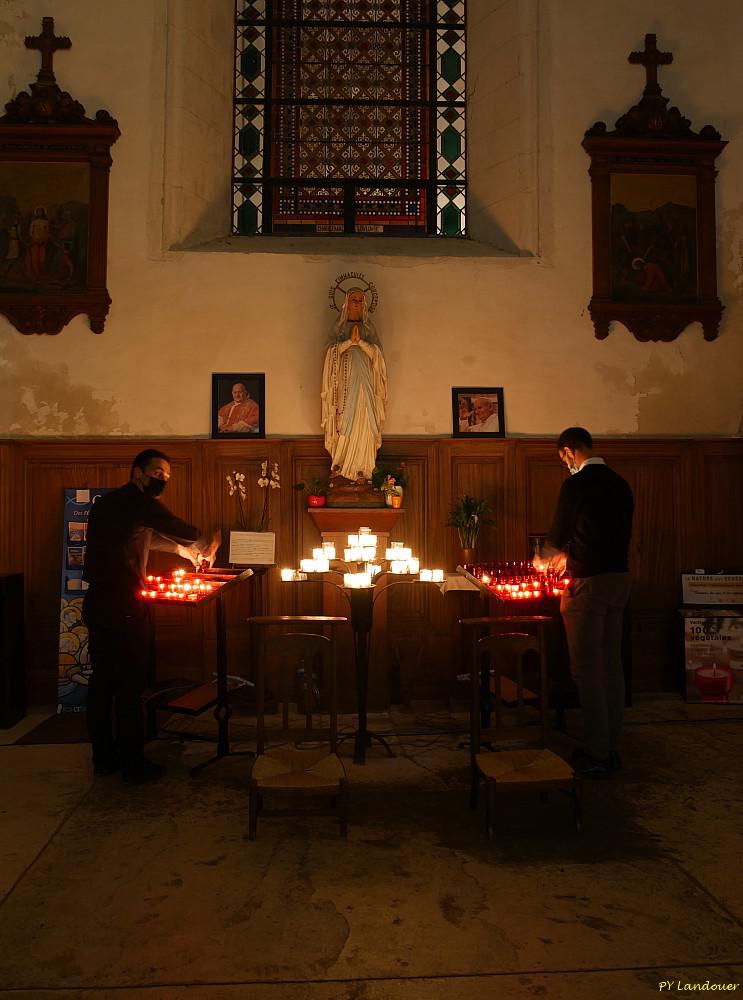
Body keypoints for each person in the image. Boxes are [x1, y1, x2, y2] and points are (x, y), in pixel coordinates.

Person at [82, 449, 219, 785]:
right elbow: (179, 528)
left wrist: (181, 551)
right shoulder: (140, 501)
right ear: (137, 472)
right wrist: (206, 543)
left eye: (167, 475)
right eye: (158, 471)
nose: (163, 479)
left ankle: (104, 759)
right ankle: (133, 766)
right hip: (125, 607)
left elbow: (142, 537)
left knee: (102, 683)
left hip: (97, 603)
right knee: (129, 686)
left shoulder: (108, 505)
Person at [535, 427, 634, 778]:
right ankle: (612, 745)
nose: (565, 464)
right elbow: (602, 534)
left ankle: (596, 754)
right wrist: (571, 553)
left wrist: (544, 560)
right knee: (611, 665)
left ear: (568, 451)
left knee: (587, 670)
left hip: (588, 586)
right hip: (618, 581)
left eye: (563, 458)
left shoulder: (576, 485)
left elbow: (555, 537)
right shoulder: (620, 483)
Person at [321, 288, 387, 481]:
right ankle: (341, 466)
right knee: (344, 421)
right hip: (345, 384)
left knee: (366, 420)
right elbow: (329, 354)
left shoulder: (369, 328)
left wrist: (363, 344)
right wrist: (349, 342)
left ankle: (364, 469)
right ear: (346, 302)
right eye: (353, 300)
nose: (357, 303)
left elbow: (378, 357)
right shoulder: (339, 328)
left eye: (360, 300)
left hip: (366, 382)